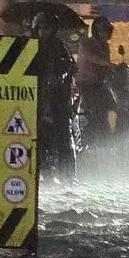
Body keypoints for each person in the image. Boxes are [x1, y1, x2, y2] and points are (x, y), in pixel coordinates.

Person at [31, 13, 78, 176]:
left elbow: (69, 65)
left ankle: (68, 174)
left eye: (47, 28)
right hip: (36, 95)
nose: (44, 31)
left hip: (58, 97)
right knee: (36, 133)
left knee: (63, 133)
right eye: (41, 28)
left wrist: (58, 77)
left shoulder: (59, 46)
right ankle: (38, 169)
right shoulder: (31, 46)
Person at [77, 16, 116, 144]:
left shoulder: (105, 46)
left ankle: (107, 132)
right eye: (104, 30)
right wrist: (106, 64)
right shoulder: (88, 43)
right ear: (97, 31)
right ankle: (90, 133)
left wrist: (113, 70)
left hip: (99, 83)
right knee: (93, 109)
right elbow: (90, 56)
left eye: (108, 30)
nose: (107, 33)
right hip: (86, 82)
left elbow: (106, 65)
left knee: (111, 103)